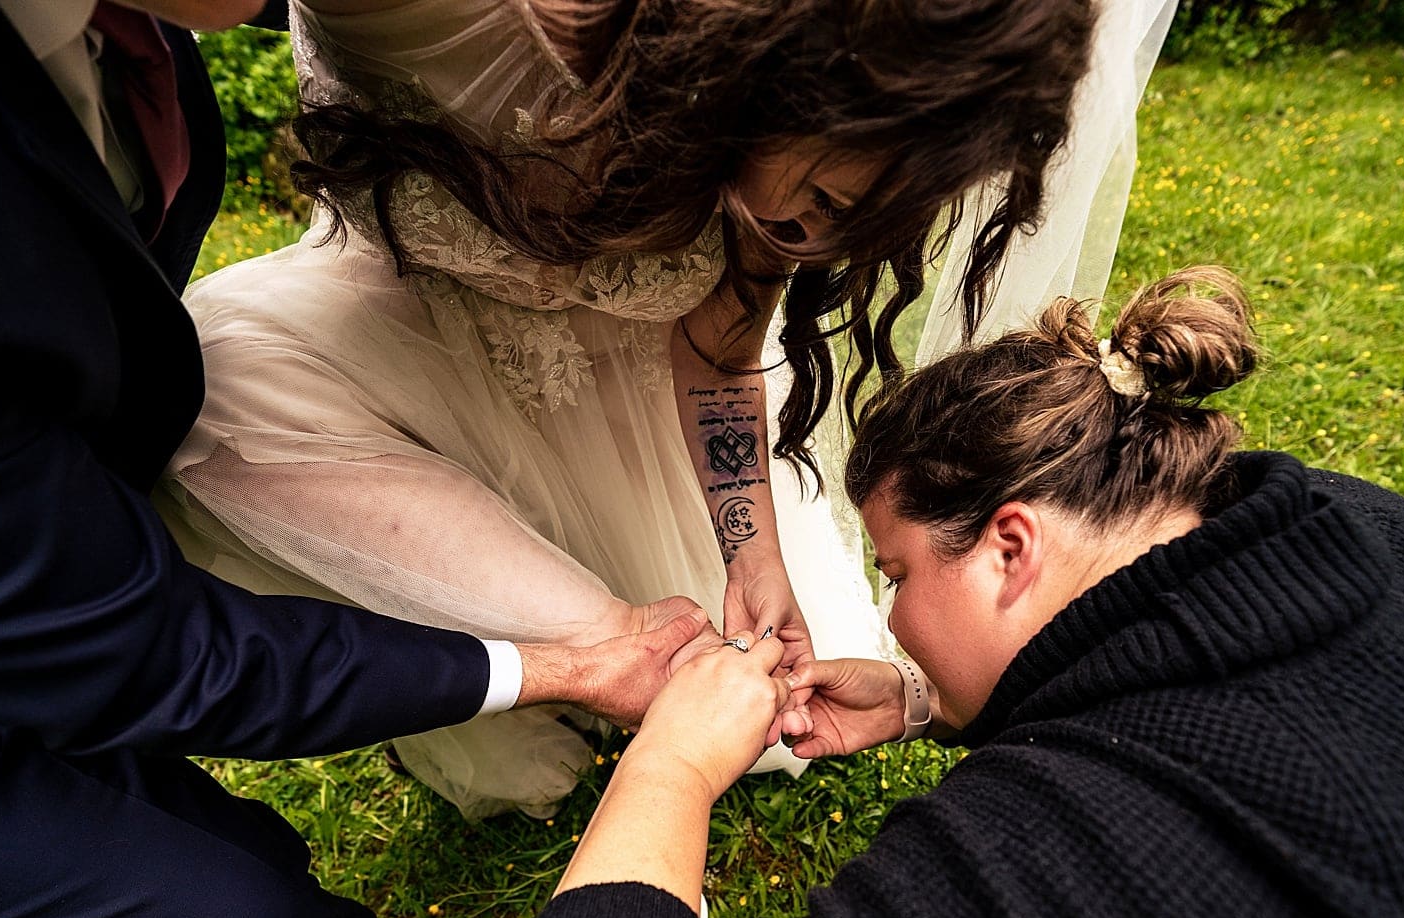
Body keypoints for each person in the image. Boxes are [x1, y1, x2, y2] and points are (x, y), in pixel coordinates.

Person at [460, 267, 1404, 918]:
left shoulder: (1057, 854)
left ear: (1010, 547)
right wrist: (927, 699)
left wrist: (670, 767)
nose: (888, 614)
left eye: (894, 574)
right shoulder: (1364, 526)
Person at [159, 0, 1177, 819]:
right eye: (828, 198)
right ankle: (598, 648)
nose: (830, 236)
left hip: (632, 376)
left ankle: (655, 657)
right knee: (209, 388)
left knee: (773, 663)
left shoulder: (826, 172)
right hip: (406, 332)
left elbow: (716, 343)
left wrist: (753, 551)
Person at [0, 3, 708, 918]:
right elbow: (158, 655)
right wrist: (556, 664)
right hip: (11, 596)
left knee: (227, 853)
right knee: (232, 917)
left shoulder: (132, 36)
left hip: (19, 526)